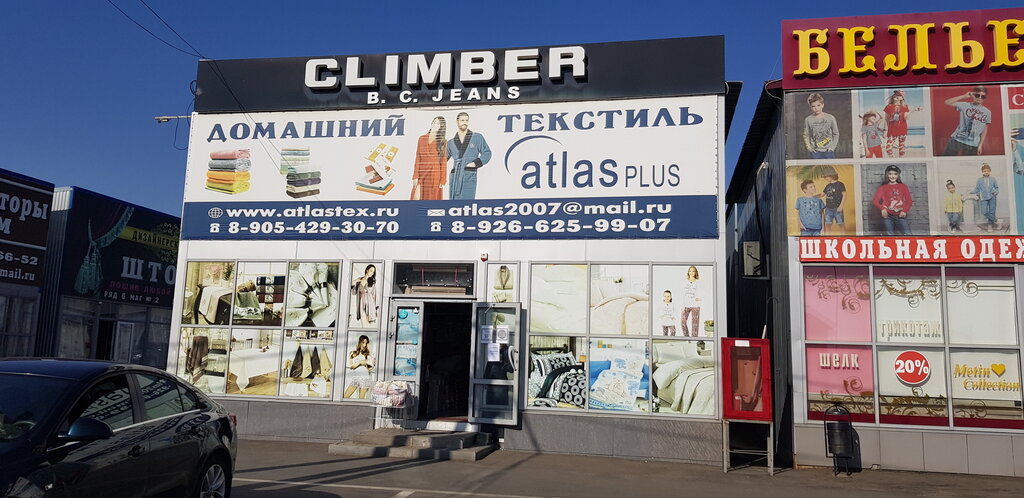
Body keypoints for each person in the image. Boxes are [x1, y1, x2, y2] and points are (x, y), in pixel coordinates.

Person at [447, 112, 492, 200]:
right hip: (455, 176)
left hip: (469, 174)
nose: (465, 123)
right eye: (462, 120)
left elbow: (487, 153)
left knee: (467, 203)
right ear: (457, 122)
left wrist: (475, 164)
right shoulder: (450, 142)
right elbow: (442, 160)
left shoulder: (477, 137)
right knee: (453, 204)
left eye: (466, 120)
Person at [943, 86, 992, 156]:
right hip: (957, 139)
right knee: (947, 159)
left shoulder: (987, 112)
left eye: (983, 96)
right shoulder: (965, 105)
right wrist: (964, 96)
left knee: (969, 162)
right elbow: (947, 102)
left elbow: (984, 129)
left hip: (973, 144)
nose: (980, 98)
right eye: (977, 95)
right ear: (973, 95)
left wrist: (980, 145)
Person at [410, 117, 447, 200]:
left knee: (431, 199)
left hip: (434, 173)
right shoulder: (421, 138)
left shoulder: (443, 141)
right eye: (434, 122)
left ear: (441, 127)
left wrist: (443, 179)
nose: (434, 124)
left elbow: (443, 162)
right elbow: (418, 157)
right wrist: (415, 175)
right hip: (421, 172)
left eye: (438, 123)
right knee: (415, 198)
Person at [872, 165, 913, 235]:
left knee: (908, 235)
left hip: (900, 215)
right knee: (889, 236)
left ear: (898, 175)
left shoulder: (903, 186)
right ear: (887, 175)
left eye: (895, 174)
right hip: (888, 216)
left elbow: (909, 201)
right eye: (890, 174)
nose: (893, 176)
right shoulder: (883, 187)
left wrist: (904, 211)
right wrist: (882, 209)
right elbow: (875, 201)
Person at [883, 90, 921, 158]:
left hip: (902, 129)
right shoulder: (888, 107)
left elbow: (905, 118)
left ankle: (901, 161)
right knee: (888, 149)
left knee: (902, 149)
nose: (896, 96)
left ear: (902, 98)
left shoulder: (904, 106)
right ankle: (893, 160)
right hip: (892, 130)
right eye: (895, 94)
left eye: (899, 95)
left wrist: (913, 110)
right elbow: (886, 119)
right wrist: (885, 130)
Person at [803, 93, 839, 159]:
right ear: (810, 107)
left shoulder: (830, 118)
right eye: (813, 106)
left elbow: (836, 133)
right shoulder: (808, 119)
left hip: (829, 151)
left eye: (818, 105)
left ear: (822, 105)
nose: (816, 108)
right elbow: (806, 135)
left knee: (830, 166)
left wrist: (832, 148)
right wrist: (810, 148)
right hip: (815, 152)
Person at [969, 163, 999, 231]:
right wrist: (971, 192)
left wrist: (996, 192)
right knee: (984, 211)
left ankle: (990, 225)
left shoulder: (993, 179)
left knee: (992, 211)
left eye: (988, 171)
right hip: (983, 197)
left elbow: (996, 187)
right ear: (982, 172)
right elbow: (977, 189)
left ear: (990, 171)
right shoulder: (979, 180)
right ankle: (995, 219)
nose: (986, 172)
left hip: (992, 197)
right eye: (984, 171)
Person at [680, 267, 703, 337]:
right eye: (690, 271)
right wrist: (683, 306)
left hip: (695, 306)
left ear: (695, 272)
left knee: (695, 326)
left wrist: (699, 298)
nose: (691, 273)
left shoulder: (698, 282)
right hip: (686, 305)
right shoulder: (685, 282)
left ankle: (694, 340)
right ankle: (687, 338)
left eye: (693, 271)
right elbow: (682, 294)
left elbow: (702, 292)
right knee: (683, 322)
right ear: (688, 272)